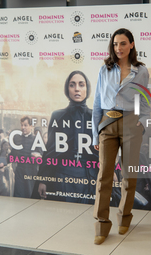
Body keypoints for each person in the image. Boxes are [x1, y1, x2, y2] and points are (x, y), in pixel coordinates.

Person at [92, 28, 150, 245]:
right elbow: (97, 103)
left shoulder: (141, 70)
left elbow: (145, 100)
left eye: (123, 43)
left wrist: (142, 122)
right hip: (107, 124)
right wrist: (95, 134)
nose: (119, 48)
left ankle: (125, 217)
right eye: (115, 44)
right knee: (104, 177)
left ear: (132, 45)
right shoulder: (104, 69)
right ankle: (101, 224)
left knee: (129, 175)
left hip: (131, 125)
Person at [34, 71, 98, 203]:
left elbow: (103, 150)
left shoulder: (96, 117)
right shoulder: (58, 115)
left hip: (90, 179)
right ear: (67, 89)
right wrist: (43, 179)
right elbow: (50, 150)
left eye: (81, 84)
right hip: (63, 177)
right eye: (72, 85)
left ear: (87, 88)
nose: (77, 89)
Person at [9, 116, 42, 198]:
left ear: (31, 126)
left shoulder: (37, 140)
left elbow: (42, 156)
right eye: (22, 125)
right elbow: (11, 155)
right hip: (20, 173)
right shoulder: (17, 139)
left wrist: (39, 157)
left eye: (25, 125)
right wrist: (2, 162)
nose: (23, 127)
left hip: (31, 174)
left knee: (30, 196)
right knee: (19, 197)